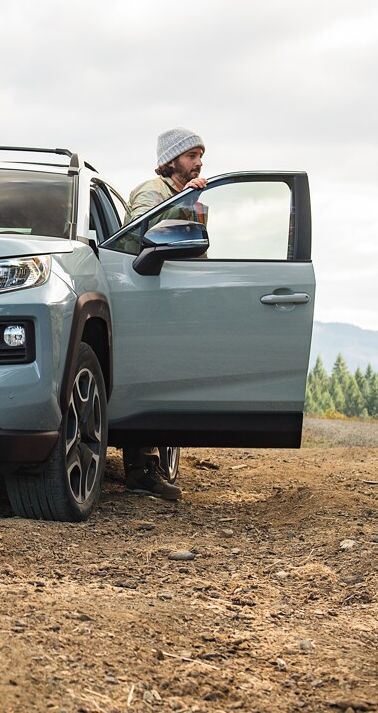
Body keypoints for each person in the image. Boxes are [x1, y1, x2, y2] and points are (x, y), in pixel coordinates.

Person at [121, 127, 209, 501]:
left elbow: (197, 250)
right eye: (192, 156)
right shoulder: (152, 192)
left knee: (167, 378)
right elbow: (138, 234)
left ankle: (152, 463)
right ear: (171, 160)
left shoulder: (186, 197)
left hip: (173, 300)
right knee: (146, 376)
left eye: (200, 156)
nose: (199, 163)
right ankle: (138, 471)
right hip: (145, 295)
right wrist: (184, 202)